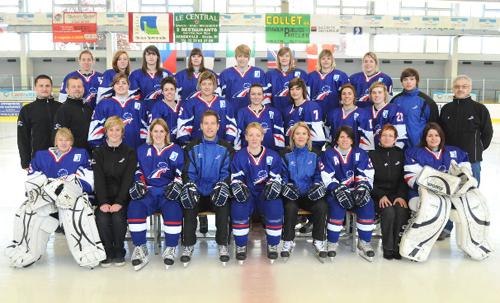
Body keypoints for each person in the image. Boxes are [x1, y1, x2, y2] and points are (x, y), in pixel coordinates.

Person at [127, 119, 184, 271]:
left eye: (161, 131)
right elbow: (137, 170)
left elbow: (180, 172)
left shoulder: (176, 149)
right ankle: (140, 248)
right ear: (150, 133)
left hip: (167, 191)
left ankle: (171, 248)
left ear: (166, 133)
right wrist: (138, 182)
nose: (158, 134)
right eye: (155, 131)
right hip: (148, 191)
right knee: (135, 207)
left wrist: (177, 185)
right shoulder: (141, 150)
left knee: (174, 209)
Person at [180, 111, 234, 266]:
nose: (209, 127)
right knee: (189, 203)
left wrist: (221, 186)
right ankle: (188, 245)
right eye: (206, 123)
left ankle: (222, 244)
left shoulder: (226, 148)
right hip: (198, 191)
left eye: (213, 123)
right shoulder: (192, 147)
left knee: (223, 204)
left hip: (216, 191)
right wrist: (192, 188)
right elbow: (188, 172)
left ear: (218, 126)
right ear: (201, 126)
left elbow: (227, 172)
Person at [404, 122, 471, 240]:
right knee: (421, 206)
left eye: (436, 135)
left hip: (449, 193)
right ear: (425, 137)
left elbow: (465, 172)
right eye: (430, 135)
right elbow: (411, 177)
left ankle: (466, 238)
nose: (433, 138)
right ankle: (420, 235)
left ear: (441, 137)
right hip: (422, 193)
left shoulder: (454, 152)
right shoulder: (414, 153)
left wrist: (459, 180)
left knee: (467, 205)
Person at [319, 125, 376, 261]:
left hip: (355, 191)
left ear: (352, 140)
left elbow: (366, 173)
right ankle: (332, 242)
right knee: (336, 207)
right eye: (341, 137)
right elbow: (326, 175)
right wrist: (337, 189)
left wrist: (362, 187)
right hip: (336, 192)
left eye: (348, 137)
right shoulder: (328, 154)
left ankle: (364, 242)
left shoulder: (361, 154)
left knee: (367, 203)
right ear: (336, 140)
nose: (345, 140)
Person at [230, 122, 284, 263]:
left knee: (275, 205)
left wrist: (274, 185)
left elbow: (276, 177)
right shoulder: (239, 156)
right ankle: (241, 245)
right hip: (248, 194)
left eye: (257, 135)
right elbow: (236, 178)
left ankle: (273, 244)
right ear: (246, 137)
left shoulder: (272, 155)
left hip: (265, 194)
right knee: (238, 205)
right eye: (251, 135)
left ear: (262, 137)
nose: (254, 138)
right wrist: (238, 186)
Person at [92, 117, 137, 267]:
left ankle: (118, 251)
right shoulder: (98, 152)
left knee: (118, 218)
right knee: (102, 217)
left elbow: (128, 180)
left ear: (122, 132)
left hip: (122, 198)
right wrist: (103, 202)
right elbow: (98, 179)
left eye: (118, 130)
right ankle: (106, 250)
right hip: (103, 198)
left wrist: (119, 202)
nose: (114, 133)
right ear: (106, 132)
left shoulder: (129, 152)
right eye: (111, 129)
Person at [280, 122, 328, 262]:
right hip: (293, 194)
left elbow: (319, 175)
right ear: (293, 137)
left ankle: (319, 240)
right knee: (290, 207)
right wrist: (286, 186)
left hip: (309, 194)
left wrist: (317, 185)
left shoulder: (315, 155)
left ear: (308, 137)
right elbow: (282, 175)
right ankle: (288, 241)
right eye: (297, 133)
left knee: (321, 206)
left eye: (304, 134)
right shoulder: (286, 154)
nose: (301, 136)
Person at [438, 74, 493, 185]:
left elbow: (487, 132)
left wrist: (479, 148)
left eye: (464, 86)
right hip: (450, 158)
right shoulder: (446, 109)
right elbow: (440, 132)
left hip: (472, 158)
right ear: (453, 88)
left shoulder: (479, 109)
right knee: (450, 190)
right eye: (457, 86)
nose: (460, 89)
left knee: (472, 190)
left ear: (470, 88)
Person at [368, 124, 409, 260]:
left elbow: (404, 179)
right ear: (380, 137)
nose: (387, 138)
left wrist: (401, 196)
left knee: (401, 210)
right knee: (389, 211)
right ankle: (388, 248)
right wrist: (380, 195)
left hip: (396, 195)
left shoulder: (400, 155)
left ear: (395, 139)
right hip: (377, 196)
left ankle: (398, 247)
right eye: (384, 135)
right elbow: (367, 180)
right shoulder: (371, 155)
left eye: (390, 136)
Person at [177, 71, 237, 146]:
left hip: (220, 148)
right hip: (197, 149)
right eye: (204, 84)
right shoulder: (190, 104)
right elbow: (183, 127)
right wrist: (189, 146)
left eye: (210, 84)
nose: (207, 87)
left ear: (214, 86)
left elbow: (231, 125)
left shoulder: (225, 103)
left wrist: (227, 143)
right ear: (199, 85)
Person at [88, 73, 148, 149]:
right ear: (113, 86)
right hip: (111, 153)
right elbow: (95, 130)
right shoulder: (103, 104)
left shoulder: (140, 105)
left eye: (124, 83)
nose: (120, 85)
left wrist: (142, 150)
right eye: (117, 83)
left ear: (128, 86)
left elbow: (145, 131)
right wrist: (100, 150)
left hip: (134, 152)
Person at [17, 74, 61, 170]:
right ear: (35, 88)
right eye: (41, 86)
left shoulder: (61, 107)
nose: (44, 88)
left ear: (51, 87)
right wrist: (25, 161)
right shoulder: (27, 110)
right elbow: (23, 138)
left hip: (61, 157)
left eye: (47, 86)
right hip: (38, 158)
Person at [391, 68, 438, 148]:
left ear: (417, 81)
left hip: (419, 146)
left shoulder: (427, 102)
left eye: (412, 79)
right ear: (402, 82)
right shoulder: (395, 100)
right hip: (398, 146)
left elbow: (433, 127)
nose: (408, 82)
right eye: (405, 79)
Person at [235, 83, 285, 151]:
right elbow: (238, 135)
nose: (256, 97)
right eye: (253, 94)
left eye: (259, 94)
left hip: (269, 153)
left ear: (263, 96)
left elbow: (279, 135)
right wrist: (238, 151)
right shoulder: (241, 112)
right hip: (248, 153)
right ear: (249, 95)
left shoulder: (274, 112)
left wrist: (279, 152)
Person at [218, 44, 267, 112]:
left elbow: (265, 95)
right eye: (240, 56)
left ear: (249, 58)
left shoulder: (259, 72)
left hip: (252, 113)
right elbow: (220, 96)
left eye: (245, 56)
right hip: (231, 112)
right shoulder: (225, 73)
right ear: (236, 57)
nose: (242, 59)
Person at [325, 83, 373, 150]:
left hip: (355, 153)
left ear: (354, 96)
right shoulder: (332, 113)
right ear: (340, 97)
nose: (346, 96)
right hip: (336, 152)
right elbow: (328, 137)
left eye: (349, 93)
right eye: (344, 94)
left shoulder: (363, 114)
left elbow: (366, 141)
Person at [283, 77, 326, 151]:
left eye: (297, 89)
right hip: (293, 150)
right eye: (292, 89)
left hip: (310, 150)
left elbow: (317, 135)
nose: (294, 92)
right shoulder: (287, 110)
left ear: (303, 90)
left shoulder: (312, 107)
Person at [266, 46, 308, 117]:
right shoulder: (270, 74)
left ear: (291, 58)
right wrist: (270, 110)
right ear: (278, 58)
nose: (284, 58)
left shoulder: (301, 73)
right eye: (281, 56)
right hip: (275, 113)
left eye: (287, 56)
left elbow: (305, 95)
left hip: (295, 112)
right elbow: (266, 96)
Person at [53, 76, 93, 151]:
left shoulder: (88, 108)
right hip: (72, 155)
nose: (77, 89)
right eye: (73, 87)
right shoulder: (63, 110)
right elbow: (59, 136)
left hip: (88, 153)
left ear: (83, 89)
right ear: (67, 90)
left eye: (79, 86)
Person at [307, 49, 349, 117]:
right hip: (315, 113)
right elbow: (307, 97)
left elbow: (346, 96)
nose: (326, 60)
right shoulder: (311, 76)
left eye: (328, 58)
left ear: (332, 61)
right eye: (323, 58)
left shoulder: (341, 75)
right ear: (319, 61)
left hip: (335, 113)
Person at [368, 82, 407, 149]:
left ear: (385, 95)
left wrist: (395, 152)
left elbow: (401, 135)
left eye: (380, 92)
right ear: (370, 95)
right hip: (370, 151)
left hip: (389, 152)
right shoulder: (365, 111)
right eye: (374, 93)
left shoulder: (395, 110)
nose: (376, 95)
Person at [150, 76, 181, 143]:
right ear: (162, 92)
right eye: (166, 90)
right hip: (164, 143)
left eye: (171, 89)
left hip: (180, 143)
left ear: (175, 90)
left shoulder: (181, 106)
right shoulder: (157, 107)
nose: (169, 92)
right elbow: (157, 128)